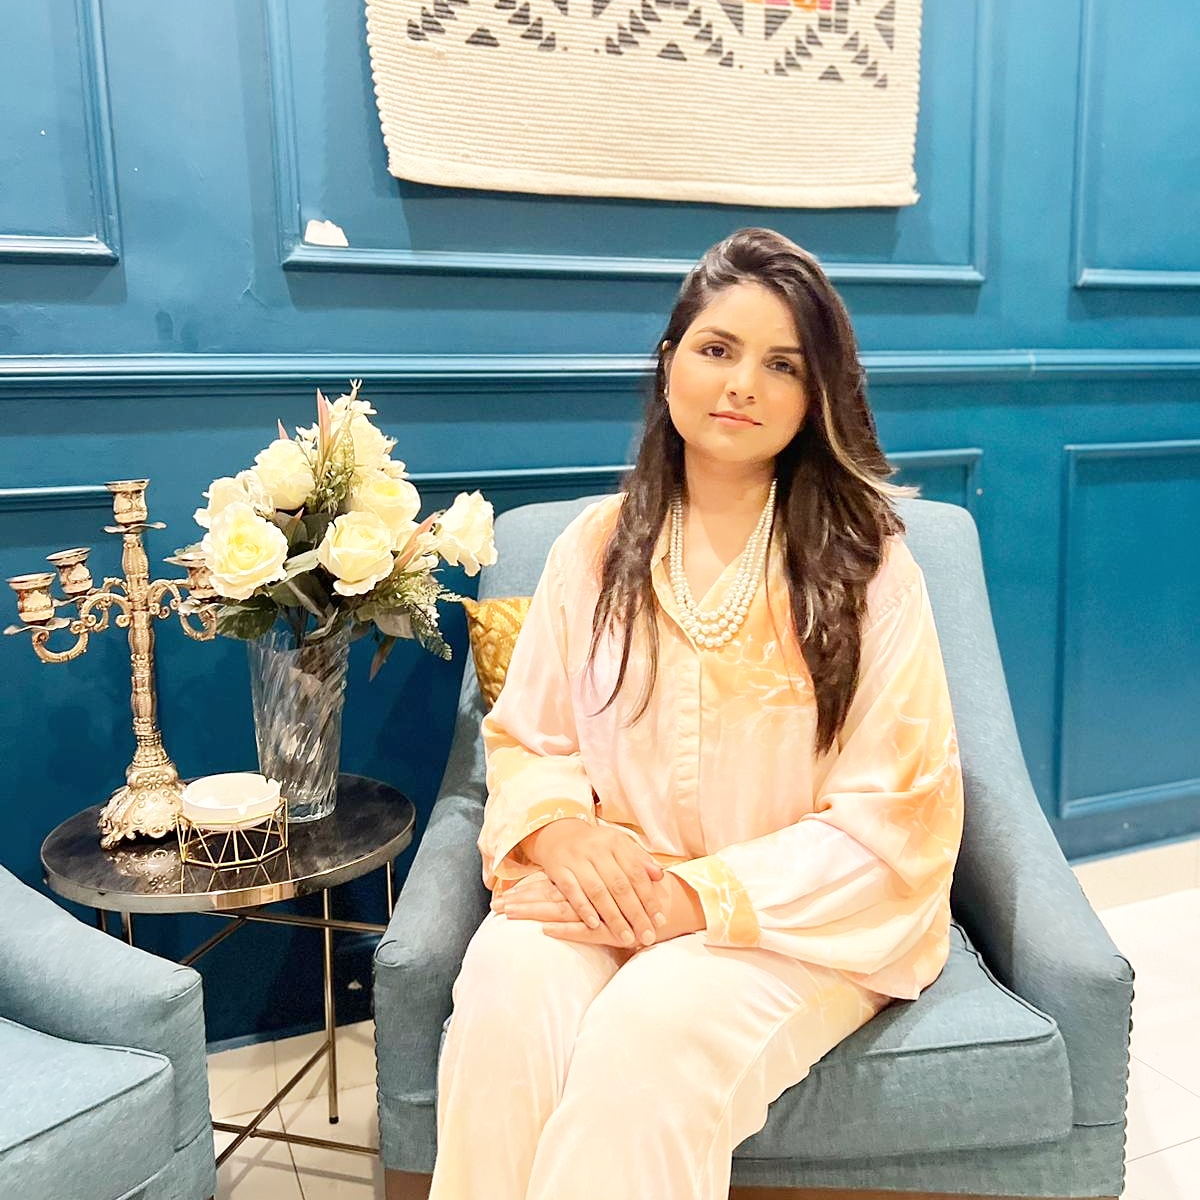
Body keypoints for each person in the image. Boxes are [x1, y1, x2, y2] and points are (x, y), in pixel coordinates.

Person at [430, 228, 964, 1200]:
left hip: (797, 919)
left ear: (816, 396)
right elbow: (530, 738)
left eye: (782, 365)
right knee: (507, 997)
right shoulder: (594, 549)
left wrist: (692, 900)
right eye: (718, 348)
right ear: (671, 358)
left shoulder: (867, 568)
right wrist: (555, 836)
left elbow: (898, 814)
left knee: (651, 1030)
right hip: (615, 882)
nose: (742, 384)